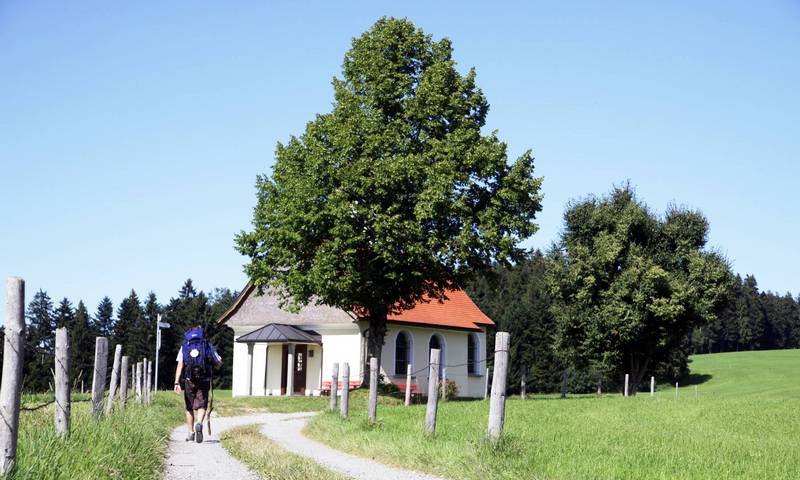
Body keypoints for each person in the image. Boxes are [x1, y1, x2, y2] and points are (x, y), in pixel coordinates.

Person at [174, 325, 222, 443]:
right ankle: (199, 423)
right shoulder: (206, 344)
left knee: (189, 406)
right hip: (204, 379)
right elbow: (218, 361)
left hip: (189, 379)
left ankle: (191, 433)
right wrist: (213, 365)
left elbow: (180, 364)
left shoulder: (185, 345)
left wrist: (176, 382)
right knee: (202, 404)